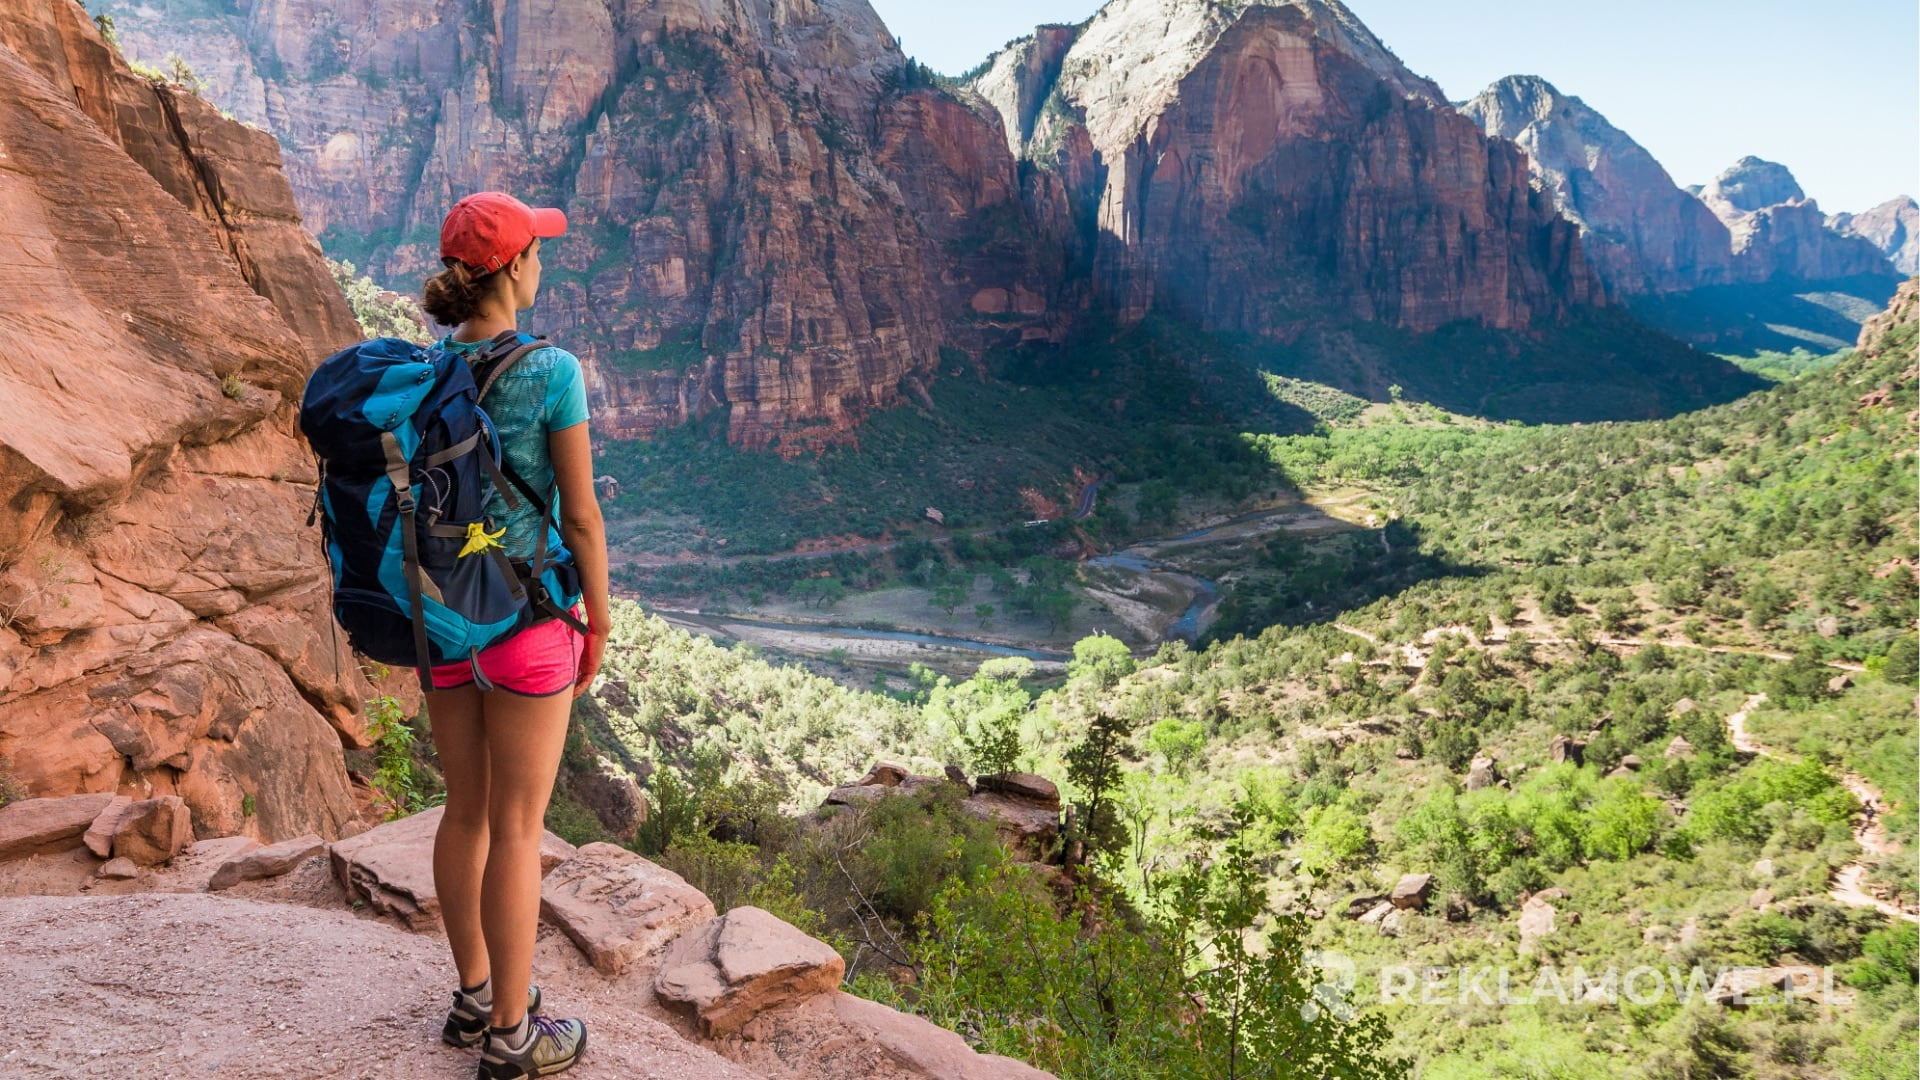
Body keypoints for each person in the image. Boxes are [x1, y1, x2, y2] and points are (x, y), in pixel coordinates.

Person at [417, 192, 609, 1080]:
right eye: (538, 247)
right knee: (520, 829)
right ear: (514, 268)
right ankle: (511, 1038)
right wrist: (596, 621)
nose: (544, 260)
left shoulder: (427, 368)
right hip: (528, 624)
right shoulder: (553, 369)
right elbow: (581, 519)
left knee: (465, 813)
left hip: (443, 621)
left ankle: (471, 998)